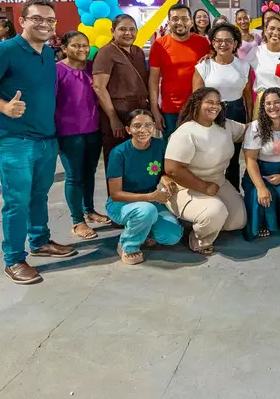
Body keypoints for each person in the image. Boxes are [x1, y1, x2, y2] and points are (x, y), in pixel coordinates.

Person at [0, 0, 77, 284]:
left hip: (45, 137)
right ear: (22, 21)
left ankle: (40, 241)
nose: (44, 24)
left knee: (39, 195)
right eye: (37, 19)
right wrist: (3, 107)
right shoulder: (3, 51)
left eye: (50, 20)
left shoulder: (46, 55)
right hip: (14, 139)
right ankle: (14, 258)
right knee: (17, 200)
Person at [163, 87, 248, 254]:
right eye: (209, 102)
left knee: (238, 221)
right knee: (215, 212)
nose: (214, 106)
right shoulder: (186, 132)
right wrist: (204, 187)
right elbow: (172, 170)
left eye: (218, 103)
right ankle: (198, 238)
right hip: (186, 187)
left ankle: (201, 220)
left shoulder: (225, 125)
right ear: (196, 103)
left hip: (218, 182)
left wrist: (274, 118)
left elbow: (247, 130)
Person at [105, 109, 183, 265]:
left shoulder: (160, 146)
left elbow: (163, 171)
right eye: (137, 126)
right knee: (146, 211)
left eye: (148, 125)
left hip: (152, 200)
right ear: (128, 129)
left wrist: (165, 177)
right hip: (122, 203)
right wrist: (150, 197)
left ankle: (144, 231)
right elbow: (115, 194)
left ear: (154, 127)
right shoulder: (118, 153)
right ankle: (128, 244)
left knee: (171, 236)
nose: (143, 130)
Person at [55, 31, 110, 239]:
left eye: (85, 45)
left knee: (89, 173)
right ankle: (77, 221)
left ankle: (89, 210)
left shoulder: (92, 68)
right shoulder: (57, 71)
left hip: (92, 129)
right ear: (64, 49)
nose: (82, 50)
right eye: (76, 46)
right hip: (68, 133)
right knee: (74, 176)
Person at [193, 23, 254, 191]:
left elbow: (248, 95)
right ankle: (209, 190)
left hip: (236, 112)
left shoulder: (243, 66)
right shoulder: (203, 66)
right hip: (210, 114)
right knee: (210, 156)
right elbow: (196, 98)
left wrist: (249, 119)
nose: (223, 44)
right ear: (212, 42)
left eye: (228, 41)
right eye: (218, 40)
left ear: (235, 43)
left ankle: (233, 193)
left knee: (233, 158)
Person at [242, 88, 280, 239]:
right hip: (260, 175)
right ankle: (263, 224)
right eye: (267, 104)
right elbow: (251, 160)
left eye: (276, 102)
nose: (272, 107)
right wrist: (261, 187)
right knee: (261, 196)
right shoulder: (256, 127)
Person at [92, 15, 150, 166]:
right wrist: (113, 118)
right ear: (113, 31)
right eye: (122, 29)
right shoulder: (106, 52)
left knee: (138, 161)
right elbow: (99, 87)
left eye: (132, 29)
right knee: (118, 162)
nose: (128, 33)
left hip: (139, 113)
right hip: (118, 113)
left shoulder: (137, 51)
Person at [148, 5, 212, 140]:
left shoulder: (203, 43)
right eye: (175, 19)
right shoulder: (159, 45)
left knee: (197, 150)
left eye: (184, 18)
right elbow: (153, 80)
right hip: (170, 110)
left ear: (191, 22)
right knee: (172, 151)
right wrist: (155, 110)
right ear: (169, 22)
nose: (180, 22)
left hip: (197, 108)